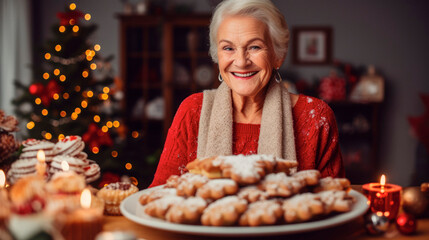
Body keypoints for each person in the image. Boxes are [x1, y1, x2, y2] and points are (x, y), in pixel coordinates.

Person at [149, 0, 344, 187]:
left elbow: (335, 204)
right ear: (217, 56)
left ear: (278, 55)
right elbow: (160, 194)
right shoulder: (192, 111)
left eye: (254, 47)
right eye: (228, 48)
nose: (241, 62)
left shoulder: (316, 117)